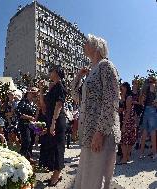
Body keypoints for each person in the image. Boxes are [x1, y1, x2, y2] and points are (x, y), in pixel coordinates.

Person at [71, 34, 121, 189]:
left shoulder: (106, 66)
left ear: (96, 47)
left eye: (87, 42)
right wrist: (79, 76)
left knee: (96, 180)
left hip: (101, 133)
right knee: (87, 178)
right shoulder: (92, 71)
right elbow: (75, 96)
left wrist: (100, 132)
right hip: (89, 132)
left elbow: (111, 99)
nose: (84, 44)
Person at [39, 65, 67, 187]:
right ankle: (56, 174)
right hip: (51, 121)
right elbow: (43, 106)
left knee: (58, 147)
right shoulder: (53, 87)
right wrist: (40, 90)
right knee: (52, 146)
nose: (50, 72)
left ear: (57, 72)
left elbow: (59, 106)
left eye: (52, 70)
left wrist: (53, 123)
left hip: (57, 121)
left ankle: (56, 175)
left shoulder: (60, 86)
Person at [16, 87, 38, 162]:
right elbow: (19, 114)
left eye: (35, 93)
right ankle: (22, 156)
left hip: (31, 124)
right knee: (27, 140)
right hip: (24, 124)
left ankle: (28, 157)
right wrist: (30, 117)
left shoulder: (33, 103)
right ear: (28, 93)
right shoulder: (23, 102)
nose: (35, 95)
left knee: (31, 141)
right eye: (33, 93)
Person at [139, 76, 157, 160]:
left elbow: (141, 102)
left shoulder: (144, 88)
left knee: (144, 132)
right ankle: (154, 153)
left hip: (145, 110)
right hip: (152, 110)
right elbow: (155, 102)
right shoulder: (153, 86)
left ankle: (141, 154)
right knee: (153, 132)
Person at [118, 82, 136, 164]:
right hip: (129, 119)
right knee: (128, 139)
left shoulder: (128, 97)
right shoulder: (126, 97)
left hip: (128, 120)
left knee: (124, 140)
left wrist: (124, 124)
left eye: (122, 88)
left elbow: (128, 111)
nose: (121, 89)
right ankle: (127, 157)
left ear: (125, 88)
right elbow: (121, 109)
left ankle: (124, 158)